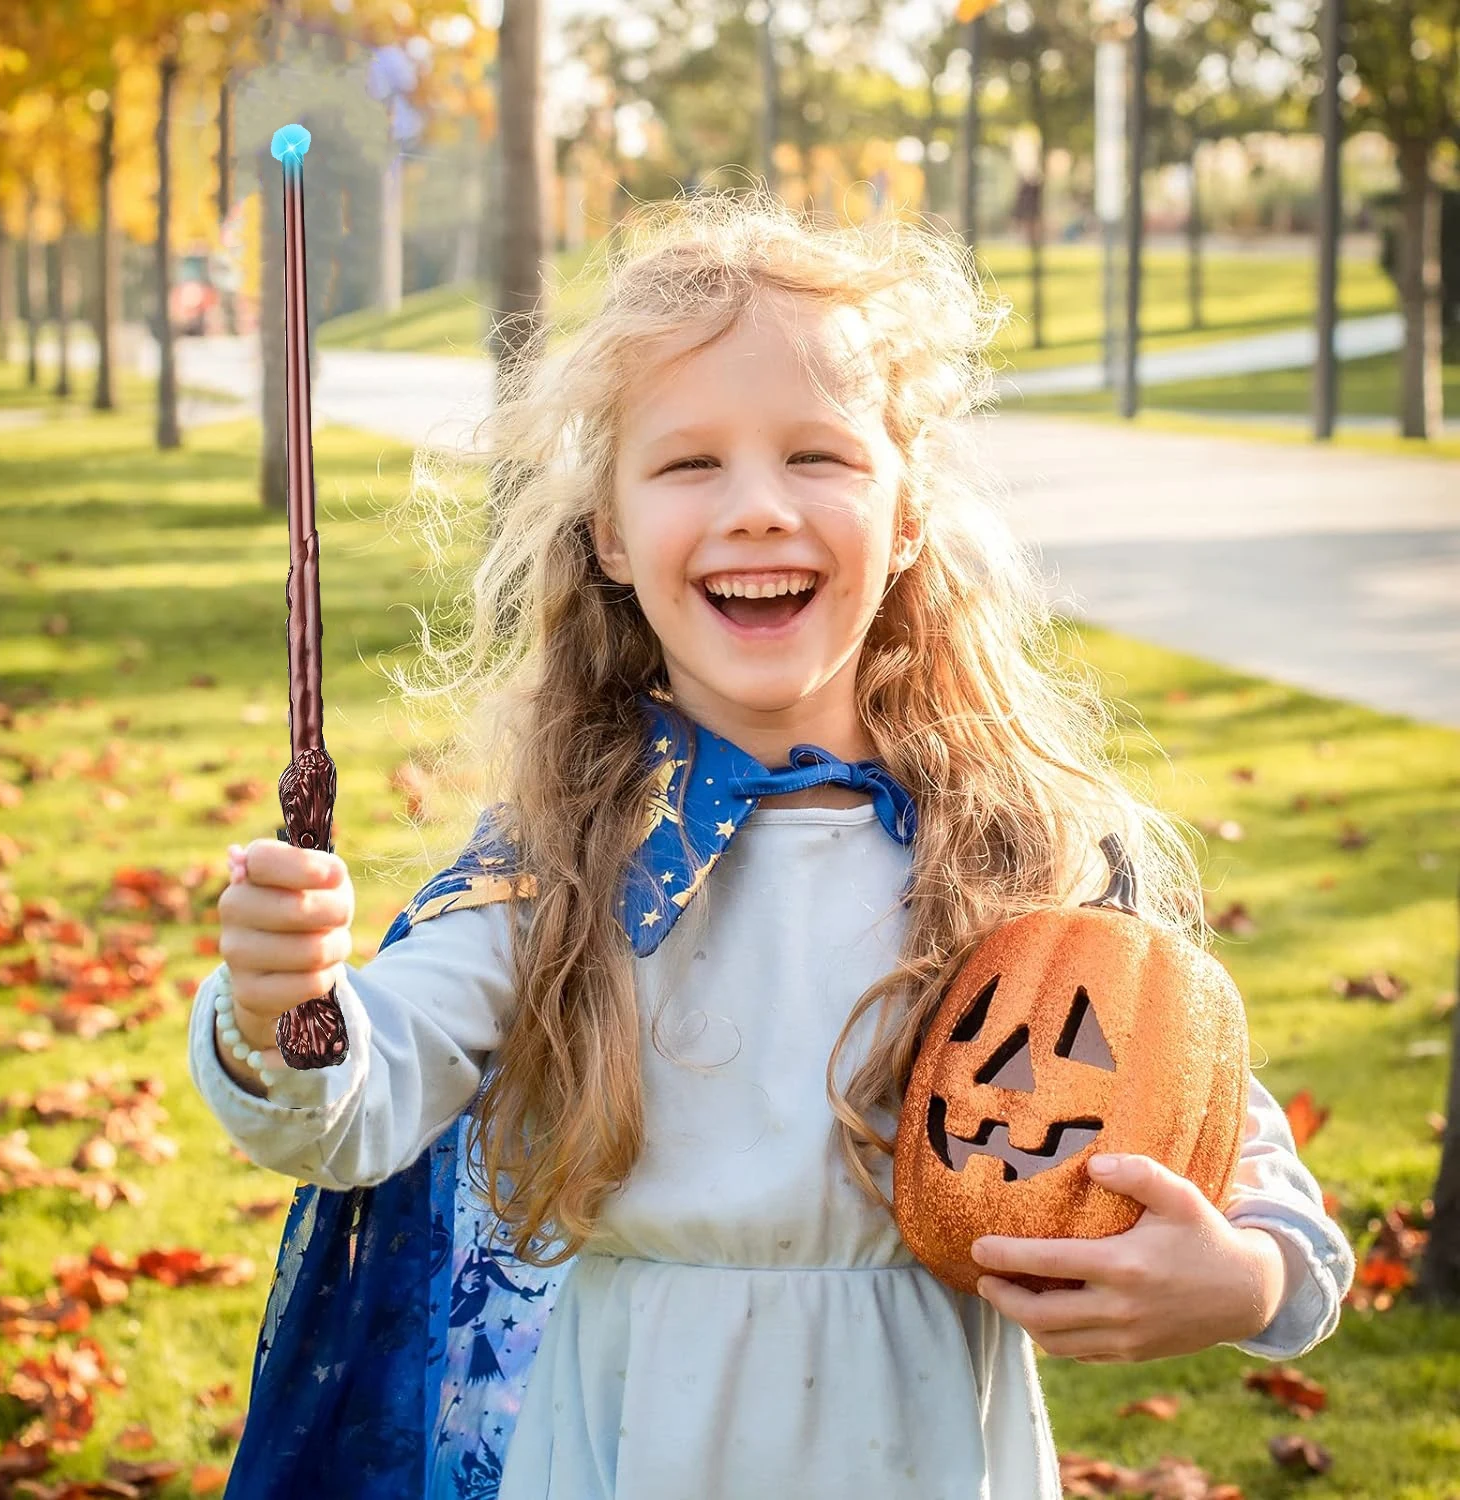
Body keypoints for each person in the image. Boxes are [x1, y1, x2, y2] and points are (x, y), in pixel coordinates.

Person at [189, 190, 1354, 1500]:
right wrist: (284, 1003)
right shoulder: (562, 858)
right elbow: (348, 1111)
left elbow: (1245, 1166)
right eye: (691, 464)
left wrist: (1243, 1277)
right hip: (630, 1454)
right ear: (612, 535)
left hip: (924, 1452)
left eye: (819, 456)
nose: (756, 507)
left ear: (907, 513)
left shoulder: (1015, 853)